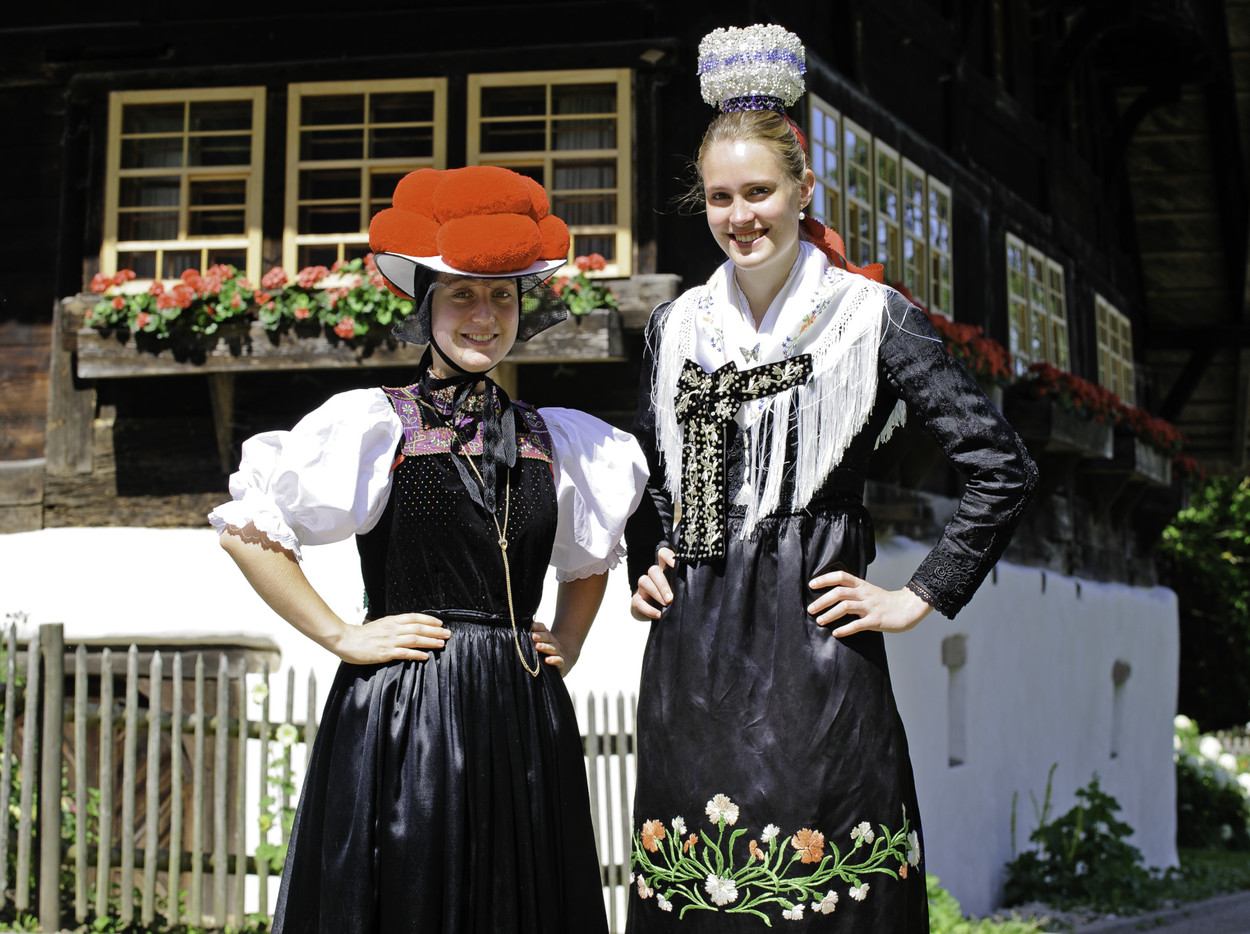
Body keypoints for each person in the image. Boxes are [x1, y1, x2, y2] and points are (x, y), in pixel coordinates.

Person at [625, 24, 1038, 931]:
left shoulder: (870, 318)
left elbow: (1000, 467)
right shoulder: (676, 327)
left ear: (803, 189)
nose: (741, 217)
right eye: (721, 197)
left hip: (810, 644)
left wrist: (919, 595)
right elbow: (655, 475)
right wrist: (645, 563)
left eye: (760, 192)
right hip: (689, 652)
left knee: (828, 890)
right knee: (699, 895)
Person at [209, 165, 647, 934]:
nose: (484, 315)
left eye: (502, 296)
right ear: (427, 305)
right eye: (462, 295)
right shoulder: (378, 425)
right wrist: (341, 635)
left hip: (520, 708)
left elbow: (589, 557)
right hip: (409, 705)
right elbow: (249, 529)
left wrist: (570, 641)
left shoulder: (559, 440)